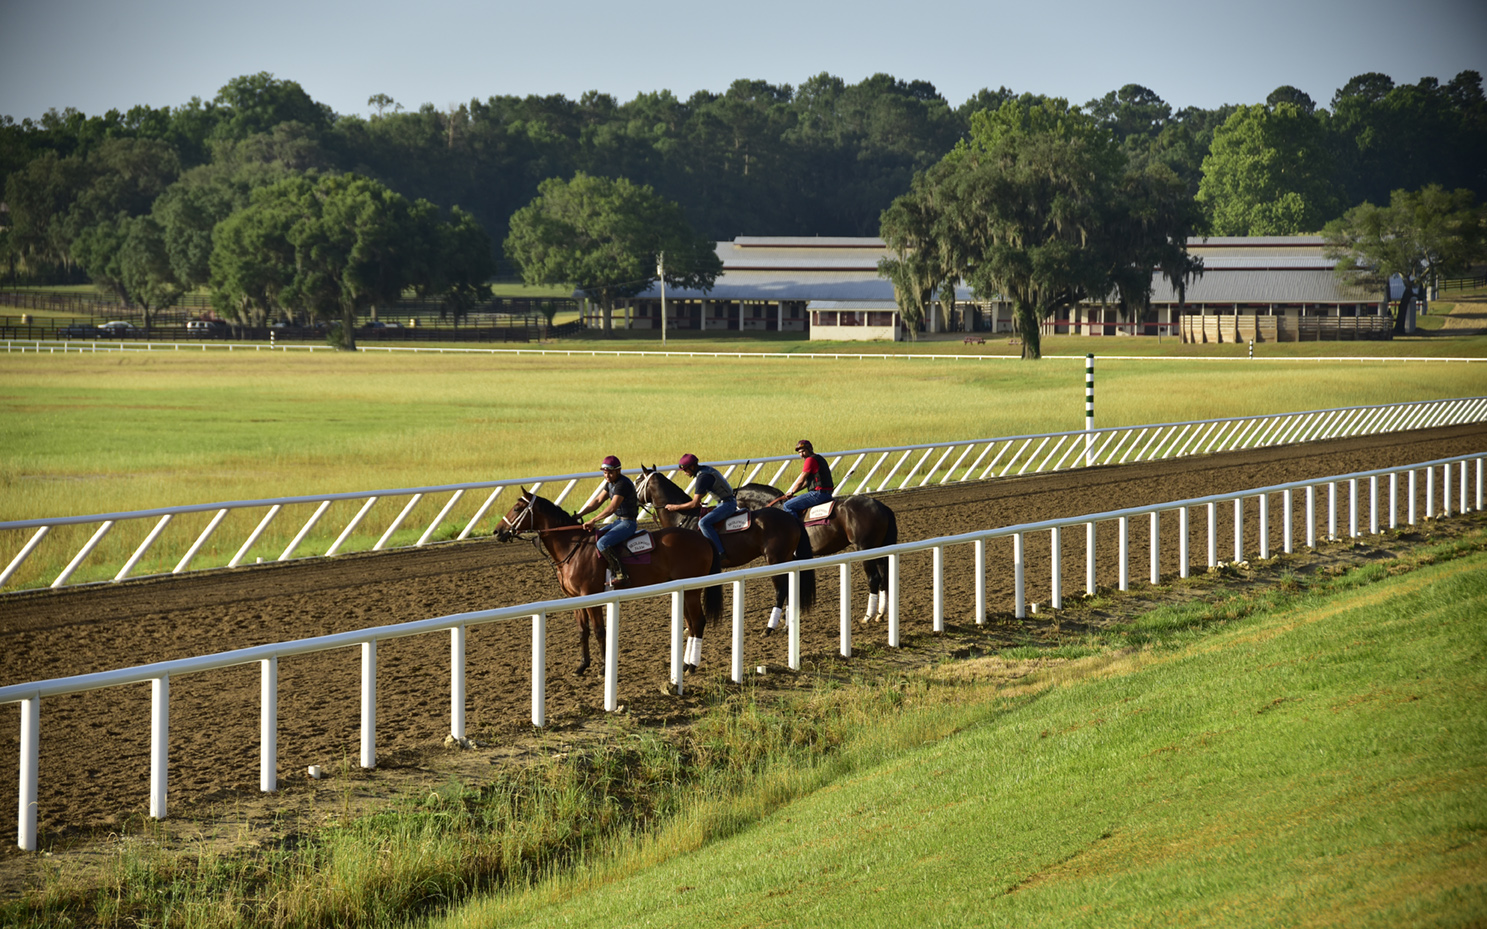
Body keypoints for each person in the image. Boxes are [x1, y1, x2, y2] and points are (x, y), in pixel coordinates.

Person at [574, 455, 640, 584]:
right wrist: (580, 515)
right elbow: (598, 501)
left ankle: (622, 575)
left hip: (628, 523)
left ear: (618, 471)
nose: (607, 476)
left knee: (602, 543)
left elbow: (612, 507)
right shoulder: (610, 484)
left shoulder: (622, 484)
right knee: (596, 537)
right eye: (605, 473)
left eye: (610, 473)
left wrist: (593, 520)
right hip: (618, 522)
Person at [666, 453, 736, 570]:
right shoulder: (705, 470)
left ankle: (720, 554)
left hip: (727, 504)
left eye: (685, 469)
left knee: (703, 523)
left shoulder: (703, 477)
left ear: (692, 467)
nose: (684, 472)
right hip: (723, 502)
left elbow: (695, 503)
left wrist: (675, 507)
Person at [776, 439, 834, 520]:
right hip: (828, 494)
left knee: (787, 506)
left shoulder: (809, 460)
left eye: (803, 451)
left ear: (810, 449)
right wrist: (795, 491)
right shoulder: (819, 458)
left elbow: (802, 479)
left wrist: (792, 492)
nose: (801, 455)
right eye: (799, 452)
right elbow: (807, 483)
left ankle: (798, 530)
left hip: (818, 494)